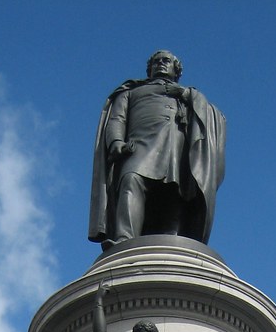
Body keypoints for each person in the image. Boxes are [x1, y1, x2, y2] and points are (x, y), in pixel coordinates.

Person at [89, 50, 226, 248]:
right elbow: (117, 119)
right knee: (131, 179)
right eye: (156, 61)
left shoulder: (186, 96)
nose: (161, 63)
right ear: (149, 68)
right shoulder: (130, 92)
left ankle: (172, 243)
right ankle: (124, 239)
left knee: (175, 194)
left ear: (176, 70)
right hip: (138, 147)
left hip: (176, 151)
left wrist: (186, 94)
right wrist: (116, 141)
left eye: (166, 61)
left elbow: (214, 117)